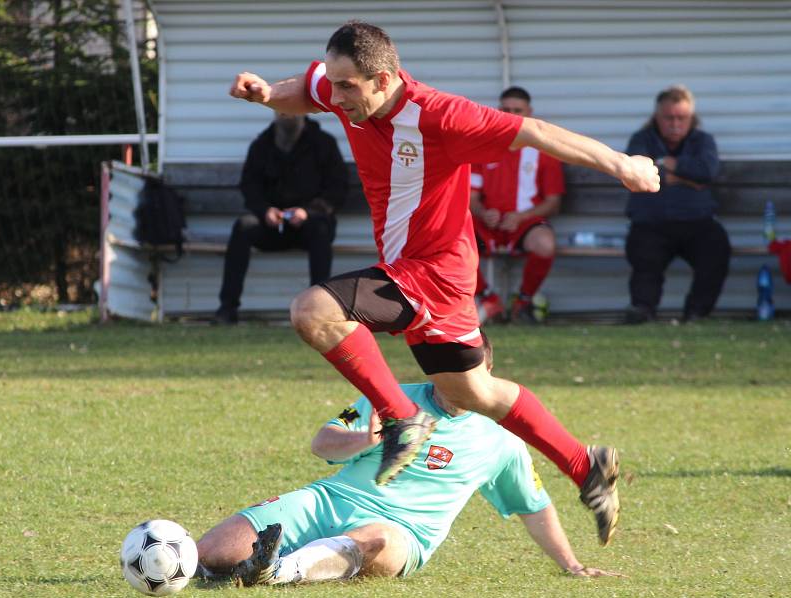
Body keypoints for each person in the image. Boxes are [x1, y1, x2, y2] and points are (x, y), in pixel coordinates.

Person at [229, 20, 659, 545]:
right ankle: (584, 463)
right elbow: (308, 87)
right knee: (471, 390)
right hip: (431, 275)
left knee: (313, 311)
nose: (336, 97)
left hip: (431, 271)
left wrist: (622, 164)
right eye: (335, 84)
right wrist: (271, 93)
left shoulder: (442, 116)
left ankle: (401, 418)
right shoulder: (345, 90)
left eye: (348, 87)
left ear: (384, 79)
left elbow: (537, 132)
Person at [195, 336, 623, 585]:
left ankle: (280, 570)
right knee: (212, 553)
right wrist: (363, 439)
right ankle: (193, 566)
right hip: (326, 501)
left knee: (377, 543)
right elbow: (322, 441)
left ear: (485, 377)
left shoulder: (502, 441)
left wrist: (572, 565)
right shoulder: (384, 395)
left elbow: (534, 506)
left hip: (401, 532)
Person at [213, 111, 348, 324]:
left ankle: (319, 310)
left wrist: (309, 211)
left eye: (291, 108)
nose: (287, 114)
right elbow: (250, 186)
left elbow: (338, 188)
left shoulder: (323, 143)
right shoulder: (262, 144)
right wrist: (265, 210)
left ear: (303, 111)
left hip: (311, 224)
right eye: (281, 109)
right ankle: (227, 309)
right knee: (243, 227)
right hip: (273, 226)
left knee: (321, 230)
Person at [623, 85, 729, 324]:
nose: (675, 124)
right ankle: (642, 311)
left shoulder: (703, 140)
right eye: (668, 118)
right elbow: (635, 171)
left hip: (697, 222)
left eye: (681, 118)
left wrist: (669, 165)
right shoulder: (641, 140)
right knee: (645, 258)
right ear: (656, 117)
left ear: (691, 118)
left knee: (716, 250)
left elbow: (708, 171)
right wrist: (690, 180)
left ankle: (696, 314)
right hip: (651, 222)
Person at [471, 86, 565, 323]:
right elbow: (471, 198)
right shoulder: (484, 146)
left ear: (529, 113)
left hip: (525, 223)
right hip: (487, 224)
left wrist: (520, 217)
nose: (511, 115)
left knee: (545, 244)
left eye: (518, 110)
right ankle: (487, 299)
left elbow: (553, 202)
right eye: (506, 109)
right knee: (450, 240)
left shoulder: (544, 150)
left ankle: (522, 303)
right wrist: (483, 212)